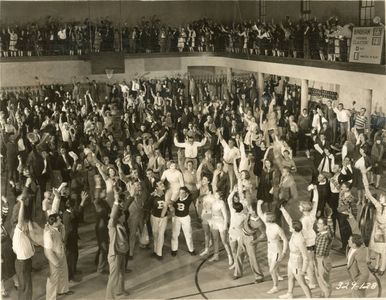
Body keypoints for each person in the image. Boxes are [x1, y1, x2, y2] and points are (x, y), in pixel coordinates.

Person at [256, 200, 288, 294]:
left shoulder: (277, 228)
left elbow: (285, 240)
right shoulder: (267, 224)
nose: (263, 217)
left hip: (277, 250)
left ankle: (275, 286)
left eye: (265, 216)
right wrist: (259, 204)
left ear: (268, 218)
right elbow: (260, 213)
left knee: (271, 270)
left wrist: (284, 252)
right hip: (270, 249)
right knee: (272, 267)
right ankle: (278, 276)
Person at [12, 180, 35, 300]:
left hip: (24, 260)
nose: (27, 199)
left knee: (24, 284)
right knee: (26, 285)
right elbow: (20, 221)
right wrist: (26, 184)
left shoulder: (21, 233)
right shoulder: (18, 231)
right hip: (23, 262)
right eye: (24, 199)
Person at [278, 219, 312, 299]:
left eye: (290, 226)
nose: (289, 226)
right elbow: (289, 219)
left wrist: (303, 270)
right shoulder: (295, 233)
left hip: (297, 262)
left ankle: (310, 298)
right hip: (291, 259)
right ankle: (290, 294)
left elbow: (306, 257)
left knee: (302, 282)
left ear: (294, 229)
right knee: (290, 276)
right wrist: (282, 209)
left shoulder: (300, 241)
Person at [105, 190, 129, 299]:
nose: (125, 216)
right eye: (123, 215)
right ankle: (109, 298)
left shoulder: (121, 224)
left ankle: (120, 290)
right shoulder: (112, 226)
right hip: (114, 254)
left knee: (122, 273)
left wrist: (132, 196)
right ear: (119, 217)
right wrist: (115, 202)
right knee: (113, 277)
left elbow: (124, 208)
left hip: (121, 252)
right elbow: (113, 217)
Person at [44, 212, 73, 300]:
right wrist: (55, 261)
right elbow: (48, 250)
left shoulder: (57, 227)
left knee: (64, 272)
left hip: (61, 254)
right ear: (55, 222)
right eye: (59, 219)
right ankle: (50, 298)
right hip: (55, 258)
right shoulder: (48, 234)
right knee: (53, 278)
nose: (60, 219)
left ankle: (63, 290)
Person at [233, 211, 264, 283]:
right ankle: (237, 273)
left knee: (252, 258)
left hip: (251, 238)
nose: (252, 211)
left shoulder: (259, 223)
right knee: (239, 255)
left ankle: (259, 276)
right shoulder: (249, 214)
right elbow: (243, 223)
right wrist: (241, 227)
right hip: (242, 236)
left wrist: (255, 241)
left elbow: (263, 235)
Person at [363, 179, 386, 276]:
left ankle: (382, 267)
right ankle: (376, 266)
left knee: (383, 250)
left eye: (382, 197)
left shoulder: (380, 207)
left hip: (383, 230)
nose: (380, 198)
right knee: (377, 249)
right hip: (378, 229)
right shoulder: (378, 206)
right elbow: (369, 196)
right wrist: (366, 186)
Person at [169, 186, 196, 256]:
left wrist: (188, 192)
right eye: (180, 192)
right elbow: (171, 204)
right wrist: (171, 206)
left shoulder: (189, 199)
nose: (180, 194)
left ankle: (191, 249)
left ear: (186, 193)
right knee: (174, 234)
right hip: (177, 217)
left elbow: (195, 193)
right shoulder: (176, 198)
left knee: (188, 234)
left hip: (185, 218)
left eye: (182, 193)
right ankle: (174, 249)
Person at [208, 192, 233, 265]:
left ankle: (230, 256)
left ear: (220, 196)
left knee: (224, 241)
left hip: (220, 222)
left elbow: (225, 216)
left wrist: (225, 225)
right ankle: (216, 255)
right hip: (214, 221)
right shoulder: (212, 202)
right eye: (214, 194)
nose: (215, 195)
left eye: (217, 194)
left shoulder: (221, 203)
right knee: (215, 239)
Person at [314, 215, 334, 298]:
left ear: (325, 226)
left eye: (320, 223)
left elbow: (320, 253)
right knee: (326, 278)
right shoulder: (325, 234)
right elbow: (331, 228)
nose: (317, 225)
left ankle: (326, 295)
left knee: (322, 279)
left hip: (321, 260)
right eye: (317, 223)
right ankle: (325, 294)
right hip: (326, 259)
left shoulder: (324, 237)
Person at [149, 180, 168, 259]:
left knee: (161, 234)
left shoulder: (167, 194)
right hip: (154, 217)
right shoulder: (153, 196)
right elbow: (147, 206)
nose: (162, 185)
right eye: (160, 184)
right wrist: (151, 196)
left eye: (162, 183)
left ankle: (159, 253)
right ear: (156, 187)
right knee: (155, 234)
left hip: (163, 218)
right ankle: (155, 250)